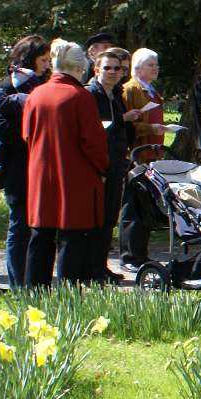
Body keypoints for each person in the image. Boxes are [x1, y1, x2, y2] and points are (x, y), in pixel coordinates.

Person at [24, 41, 109, 286]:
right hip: (75, 176)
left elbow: (26, 135)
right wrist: (103, 167)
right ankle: (68, 294)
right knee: (72, 238)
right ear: (80, 66)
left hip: (41, 174)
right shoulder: (80, 96)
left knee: (40, 236)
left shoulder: (36, 94)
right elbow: (93, 142)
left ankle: (34, 292)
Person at [0, 34, 50, 286]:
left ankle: (33, 277)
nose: (47, 64)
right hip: (18, 164)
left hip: (40, 164)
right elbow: (2, 130)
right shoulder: (8, 88)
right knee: (20, 223)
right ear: (30, 59)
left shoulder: (42, 85)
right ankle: (17, 280)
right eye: (43, 59)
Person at [119, 48, 168, 269]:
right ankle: (130, 257)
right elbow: (126, 126)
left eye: (156, 64)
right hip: (136, 156)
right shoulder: (131, 90)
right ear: (137, 68)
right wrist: (151, 127)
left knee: (145, 206)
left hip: (151, 155)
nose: (155, 68)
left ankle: (141, 254)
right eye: (151, 64)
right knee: (132, 206)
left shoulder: (151, 91)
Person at [87, 47, 132, 282]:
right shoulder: (91, 95)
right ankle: (92, 268)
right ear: (96, 70)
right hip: (99, 167)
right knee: (97, 218)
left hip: (115, 164)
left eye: (118, 68)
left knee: (109, 218)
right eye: (107, 68)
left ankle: (101, 266)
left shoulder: (115, 95)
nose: (113, 72)